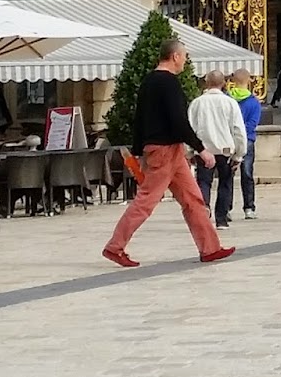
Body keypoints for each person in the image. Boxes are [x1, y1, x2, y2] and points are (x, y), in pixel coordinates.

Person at [102, 39, 233, 267]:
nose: (185, 60)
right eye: (184, 56)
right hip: (165, 150)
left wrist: (138, 152)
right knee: (145, 201)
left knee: (193, 199)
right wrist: (201, 149)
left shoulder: (148, 81)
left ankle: (210, 248)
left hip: (166, 151)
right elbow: (178, 121)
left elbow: (139, 118)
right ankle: (115, 246)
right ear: (175, 56)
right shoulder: (169, 83)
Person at [190, 70, 248, 229]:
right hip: (225, 150)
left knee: (203, 181)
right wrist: (239, 154)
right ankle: (221, 218)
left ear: (206, 83)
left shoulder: (197, 103)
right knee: (225, 182)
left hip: (204, 149)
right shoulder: (230, 103)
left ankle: (204, 207)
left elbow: (191, 128)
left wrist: (189, 151)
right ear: (223, 83)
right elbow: (238, 130)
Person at [229, 69, 262, 219]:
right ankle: (249, 207)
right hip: (247, 139)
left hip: (229, 139)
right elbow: (253, 123)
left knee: (227, 175)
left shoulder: (227, 99)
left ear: (233, 81)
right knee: (247, 174)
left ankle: (226, 208)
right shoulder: (254, 102)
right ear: (249, 80)